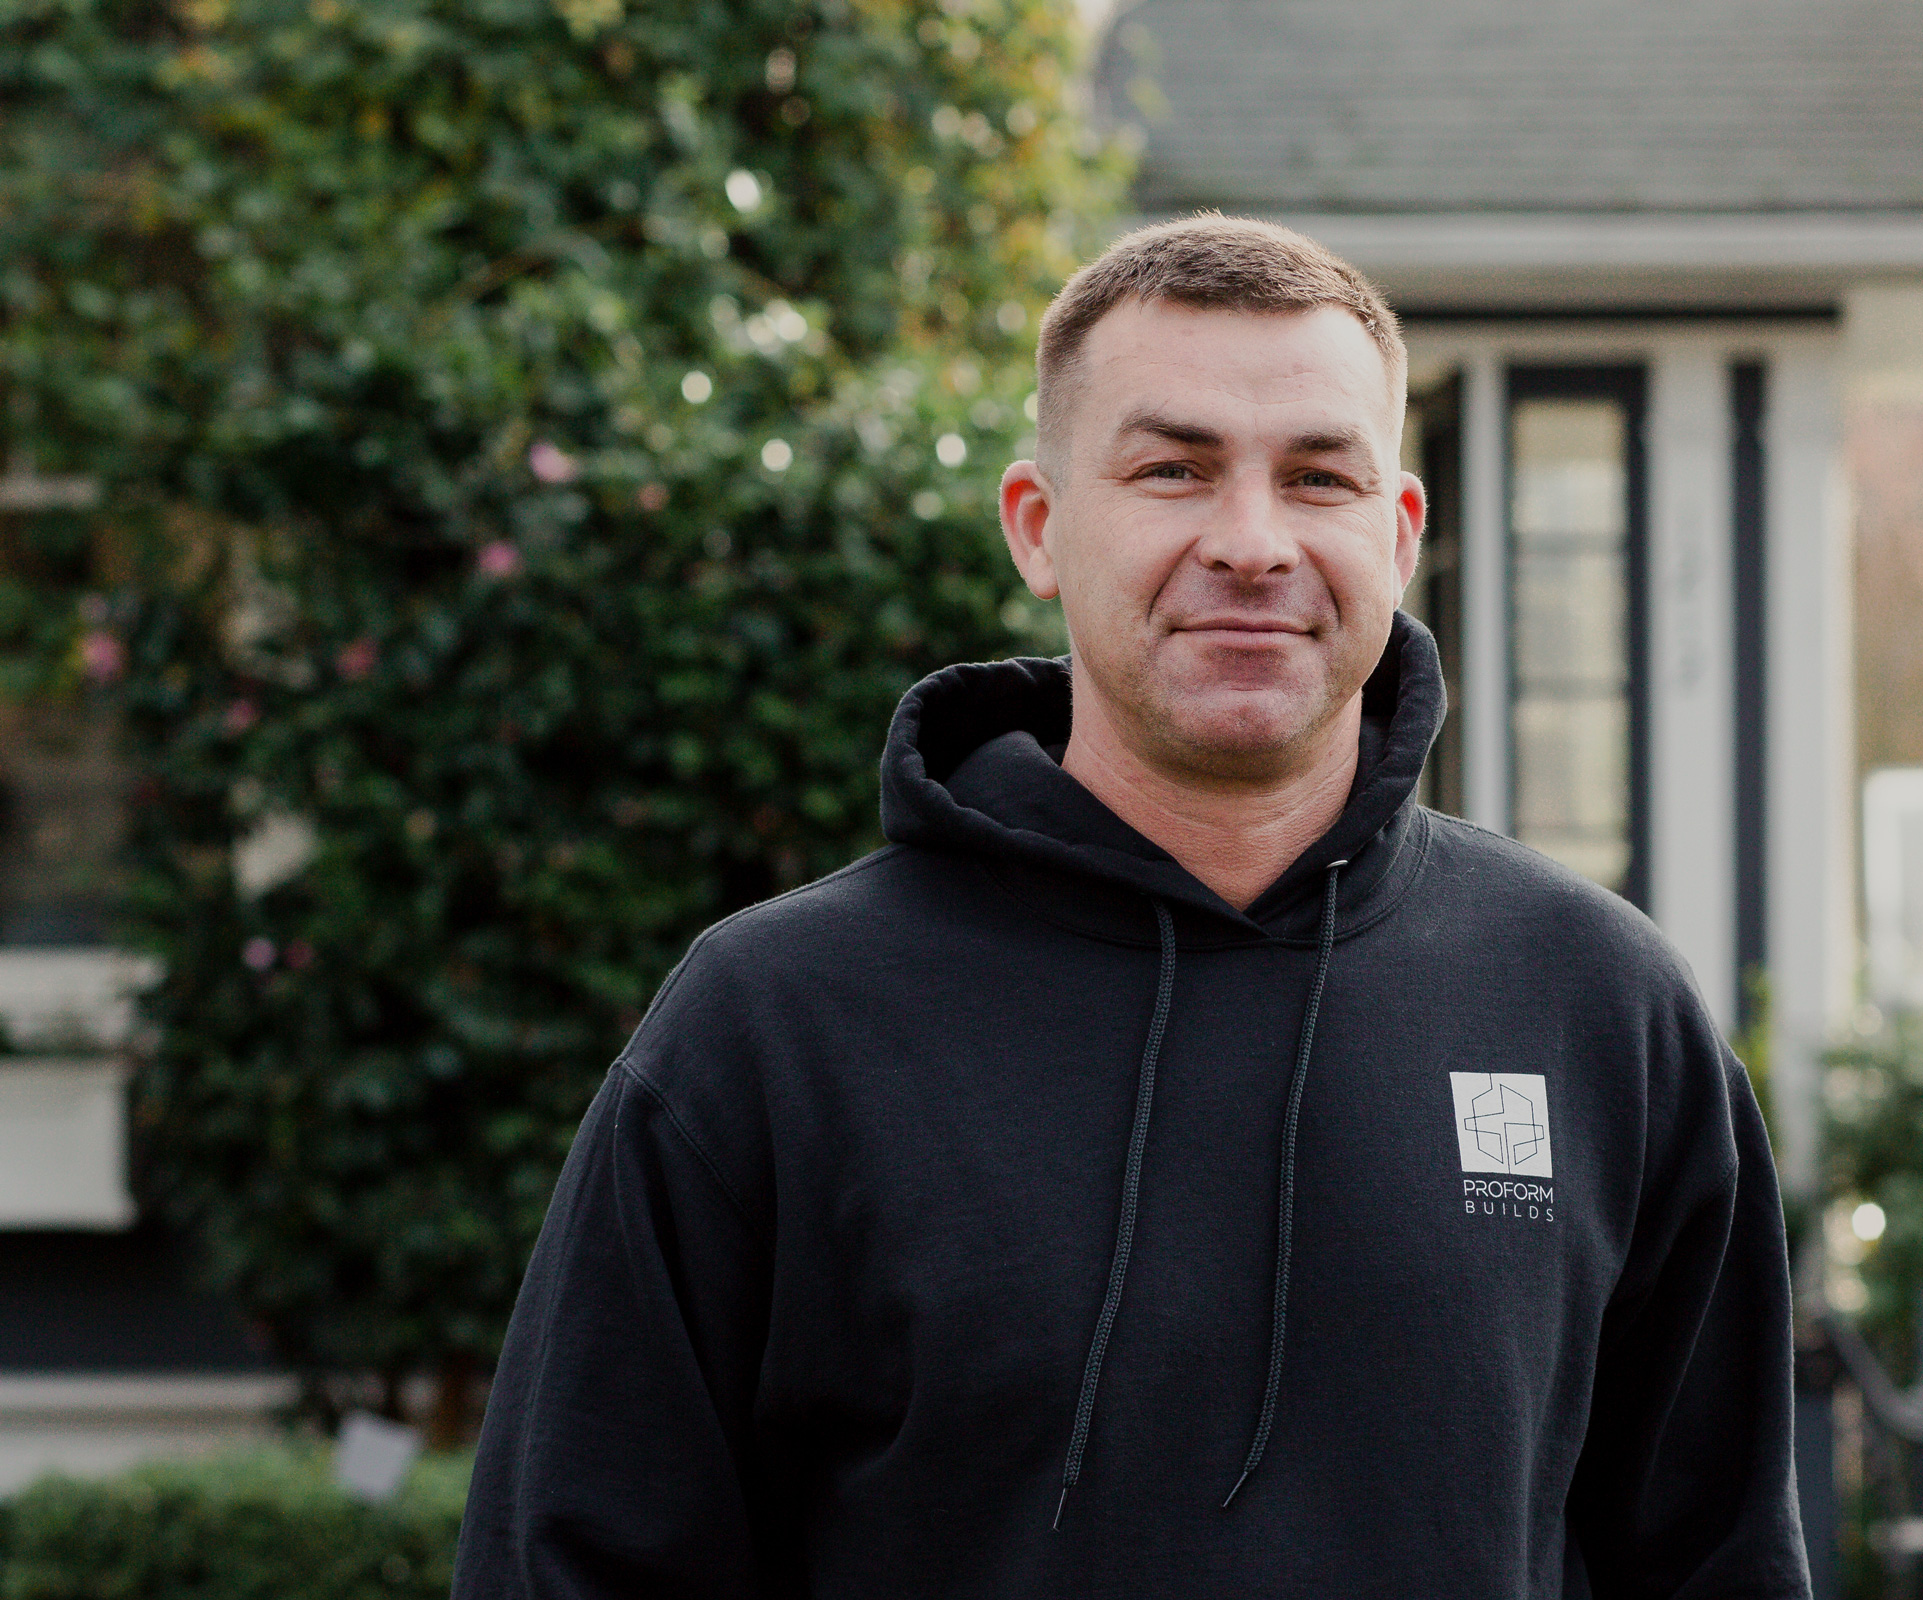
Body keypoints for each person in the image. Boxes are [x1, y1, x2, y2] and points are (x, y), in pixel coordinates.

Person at [456, 215, 1807, 1599]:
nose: (1252, 543)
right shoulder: (773, 1027)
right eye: (1174, 470)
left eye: (1318, 477)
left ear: (1399, 535)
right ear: (1039, 528)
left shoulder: (1598, 1009)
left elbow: (1723, 1563)